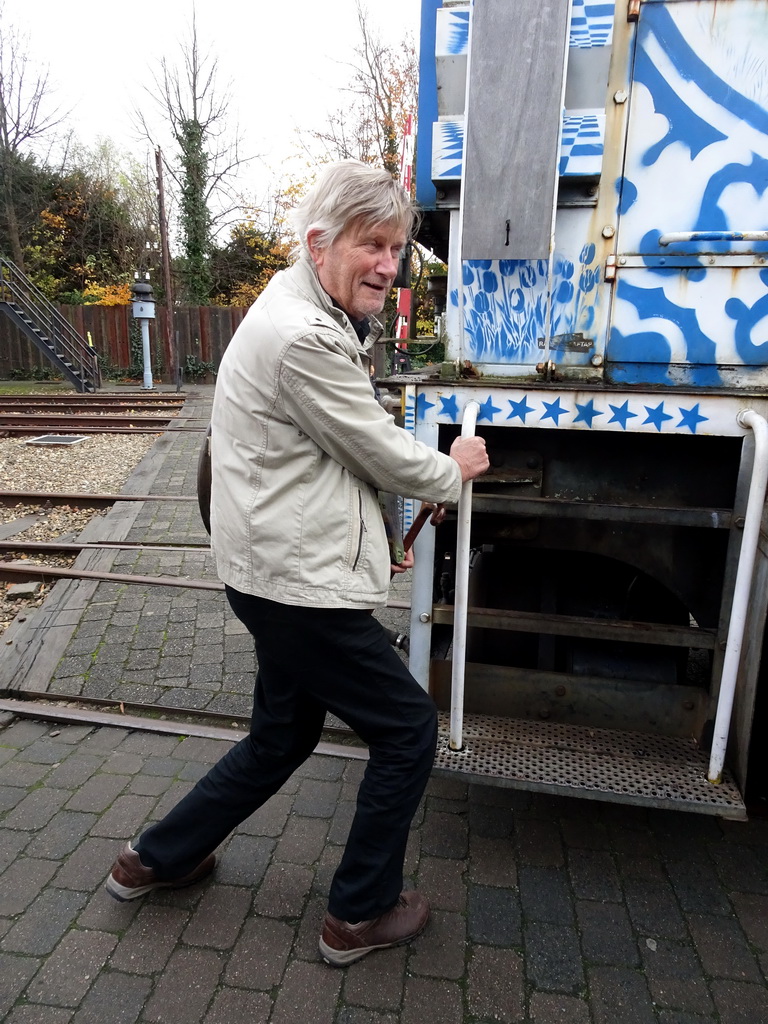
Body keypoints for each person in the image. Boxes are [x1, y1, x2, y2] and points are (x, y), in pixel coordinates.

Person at [105, 160, 489, 966]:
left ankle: (155, 859)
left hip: (272, 572)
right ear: (319, 243)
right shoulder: (304, 336)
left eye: (397, 247)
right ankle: (358, 914)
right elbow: (382, 453)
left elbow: (335, 449)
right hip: (297, 589)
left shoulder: (293, 308)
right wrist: (454, 467)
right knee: (408, 730)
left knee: (282, 737)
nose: (388, 264)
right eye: (371, 245)